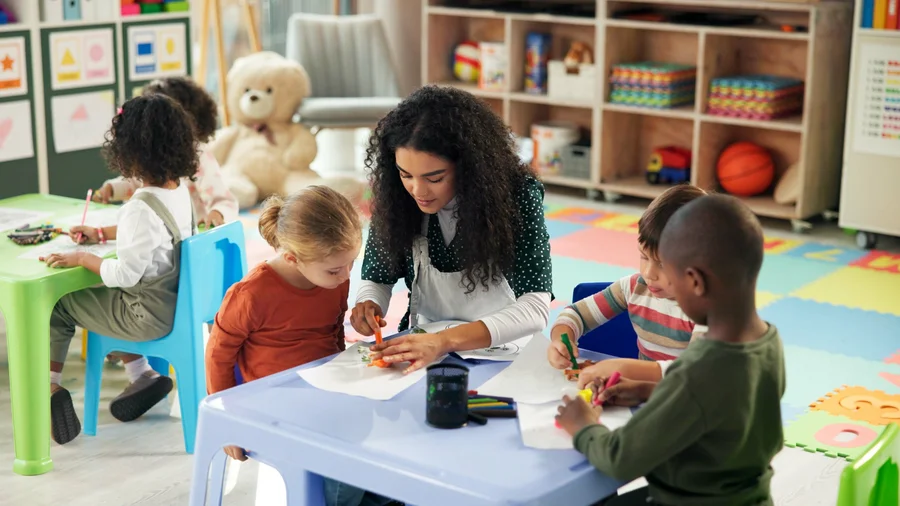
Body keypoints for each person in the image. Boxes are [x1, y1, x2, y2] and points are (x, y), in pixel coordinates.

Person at [555, 194, 785, 506]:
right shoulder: (767, 341)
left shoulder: (696, 373)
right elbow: (723, 409)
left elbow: (620, 458)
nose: (653, 278)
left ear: (694, 281)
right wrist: (645, 391)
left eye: (669, 272)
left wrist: (582, 426)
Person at [205, 187, 393, 506]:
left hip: (322, 389)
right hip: (272, 401)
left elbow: (331, 332)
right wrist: (229, 424)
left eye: (351, 264)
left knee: (388, 430)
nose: (347, 276)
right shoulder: (250, 295)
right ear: (292, 257)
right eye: (336, 269)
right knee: (343, 463)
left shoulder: (332, 279)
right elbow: (217, 356)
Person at [350, 85, 554, 373]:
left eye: (435, 177)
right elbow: (378, 278)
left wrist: (443, 341)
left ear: (469, 166)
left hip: (505, 356)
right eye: (405, 174)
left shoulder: (517, 197)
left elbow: (535, 308)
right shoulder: (397, 197)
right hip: (426, 351)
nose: (417, 190)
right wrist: (369, 304)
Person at [41, 95, 198, 445]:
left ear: (128, 150)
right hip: (176, 305)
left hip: (144, 316)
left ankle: (46, 387)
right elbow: (153, 241)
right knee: (107, 295)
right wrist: (101, 236)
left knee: (61, 303)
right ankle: (142, 375)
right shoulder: (179, 191)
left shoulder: (140, 206)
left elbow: (125, 275)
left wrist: (85, 258)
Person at [547, 185, 707, 382]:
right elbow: (575, 314)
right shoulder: (634, 288)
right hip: (638, 399)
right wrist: (561, 340)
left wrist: (622, 368)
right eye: (644, 257)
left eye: (664, 264)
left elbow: (693, 371)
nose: (649, 273)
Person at [94, 76, 238, 230]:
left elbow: (224, 200)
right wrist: (112, 189)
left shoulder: (199, 156)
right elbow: (138, 182)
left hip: (194, 235)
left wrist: (217, 213)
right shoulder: (152, 153)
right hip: (161, 233)